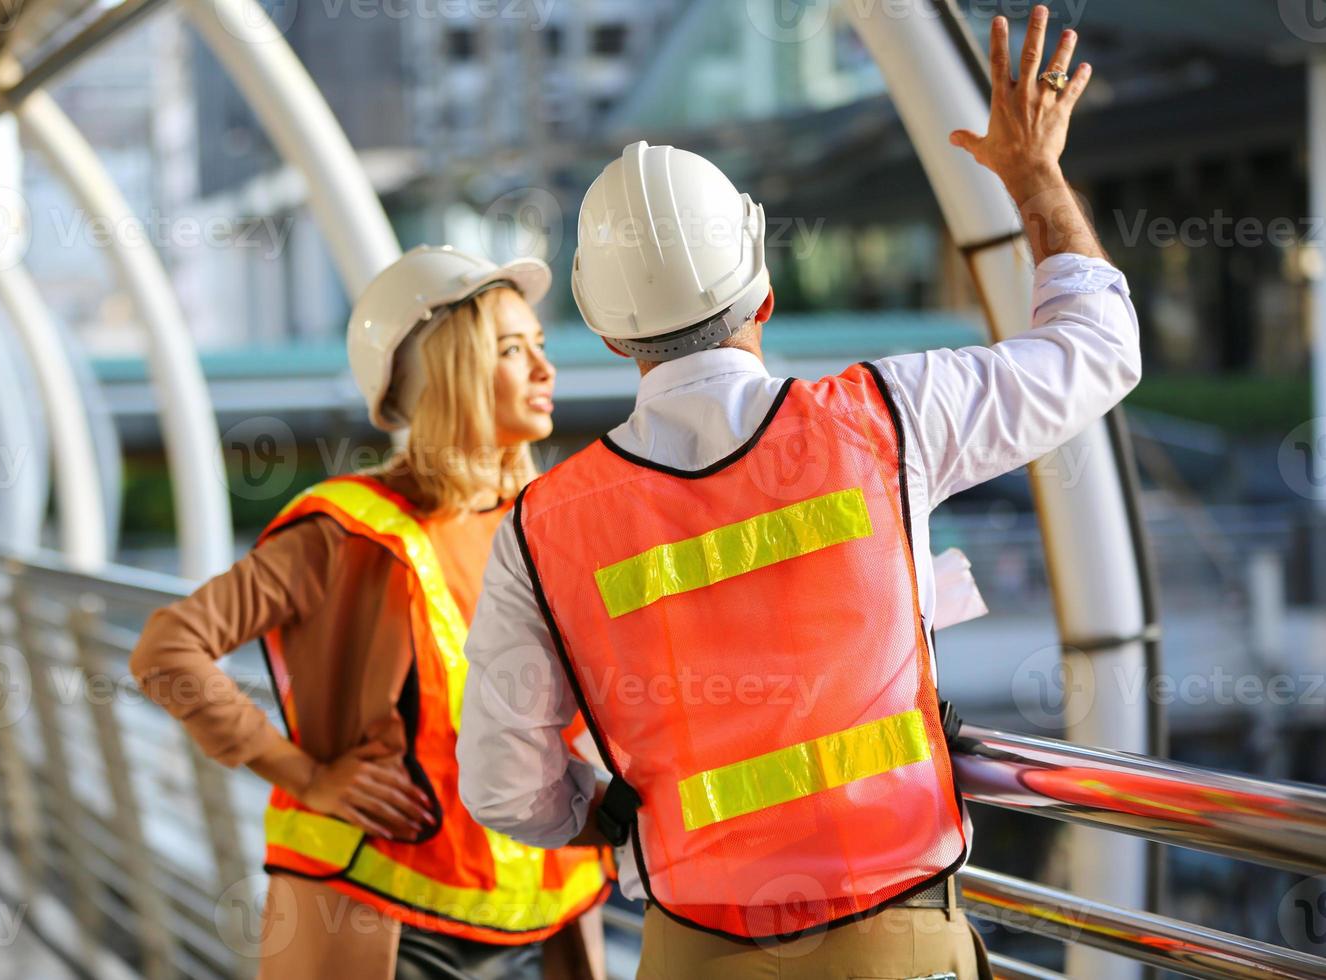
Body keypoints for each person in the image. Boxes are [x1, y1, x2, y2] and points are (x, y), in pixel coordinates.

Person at [457, 9, 1136, 979]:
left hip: (693, 950)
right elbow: (1097, 349)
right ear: (763, 289)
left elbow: (503, 785)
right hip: (894, 940)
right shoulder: (885, 416)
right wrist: (1033, 175)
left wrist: (601, 811)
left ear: (609, 334)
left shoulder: (543, 524)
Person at [130, 244, 611, 979]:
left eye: (540, 346)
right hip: (389, 922)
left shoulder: (541, 521)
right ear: (449, 372)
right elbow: (168, 651)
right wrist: (302, 772)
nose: (546, 371)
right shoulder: (340, 531)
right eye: (513, 350)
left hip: (547, 917)